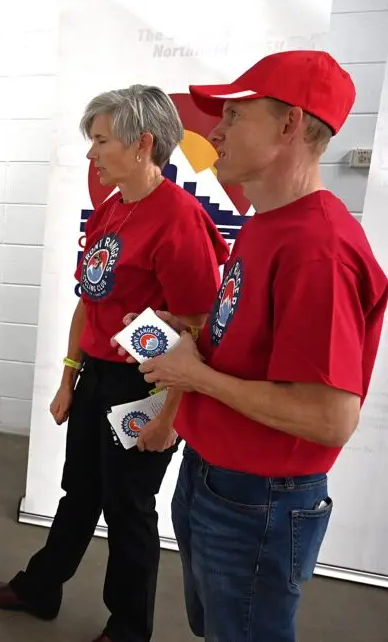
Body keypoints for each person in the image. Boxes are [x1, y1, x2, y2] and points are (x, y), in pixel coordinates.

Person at [120, 50, 388, 642]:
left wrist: (197, 377)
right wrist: (193, 339)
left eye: (236, 116)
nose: (215, 130)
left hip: (259, 499)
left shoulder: (318, 249)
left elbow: (330, 416)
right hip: (214, 474)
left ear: (291, 124)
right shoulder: (269, 224)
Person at [0, 84, 230, 642]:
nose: (91, 154)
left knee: (129, 508)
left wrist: (168, 419)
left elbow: (196, 334)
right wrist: (69, 378)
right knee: (81, 492)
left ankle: (128, 627)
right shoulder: (112, 209)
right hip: (97, 378)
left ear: (142, 144)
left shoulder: (180, 220)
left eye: (100, 140)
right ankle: (42, 586)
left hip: (146, 385)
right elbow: (88, 302)